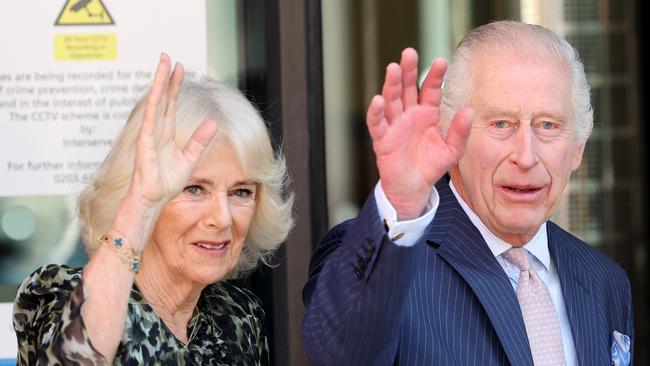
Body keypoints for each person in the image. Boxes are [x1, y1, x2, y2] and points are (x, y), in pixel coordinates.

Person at [302, 20, 633, 365]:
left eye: (548, 125)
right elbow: (340, 351)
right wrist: (401, 202)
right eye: (501, 124)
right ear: (452, 135)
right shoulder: (391, 257)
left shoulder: (604, 282)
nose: (526, 155)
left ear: (578, 146)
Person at [13, 53, 294, 365]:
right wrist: (140, 204)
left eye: (240, 191)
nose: (221, 217)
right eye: (194, 188)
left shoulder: (239, 315)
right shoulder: (64, 298)